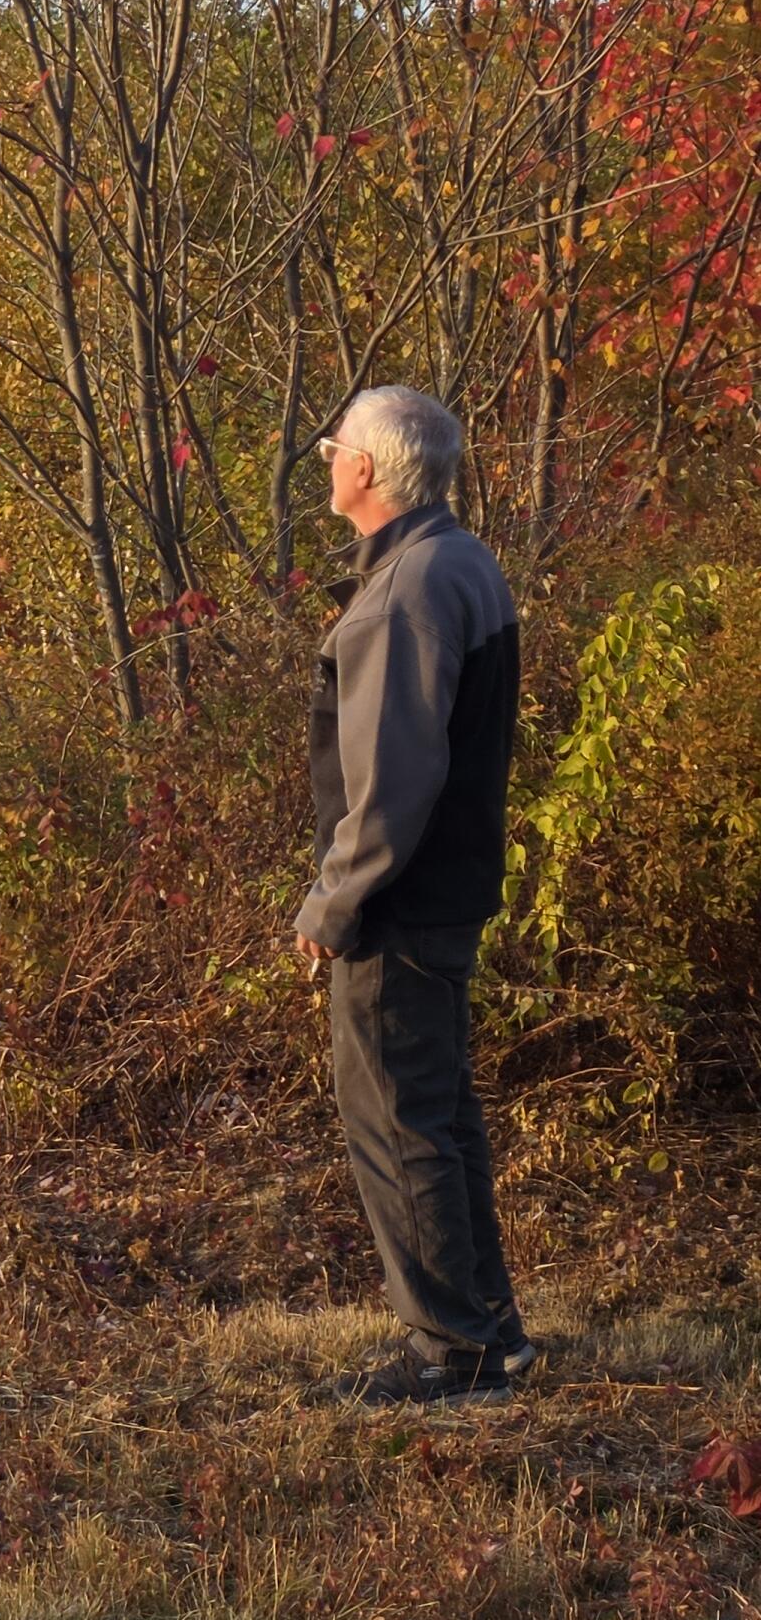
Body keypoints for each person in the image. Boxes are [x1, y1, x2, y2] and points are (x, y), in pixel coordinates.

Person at [292, 385, 537, 1406]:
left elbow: (391, 785)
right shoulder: (462, 561)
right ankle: (490, 1334)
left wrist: (330, 906)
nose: (327, 460)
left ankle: (460, 1351)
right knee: (439, 1115)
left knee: (401, 1122)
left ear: (368, 471)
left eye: (333, 445)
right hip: (448, 892)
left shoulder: (404, 592)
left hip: (401, 903)